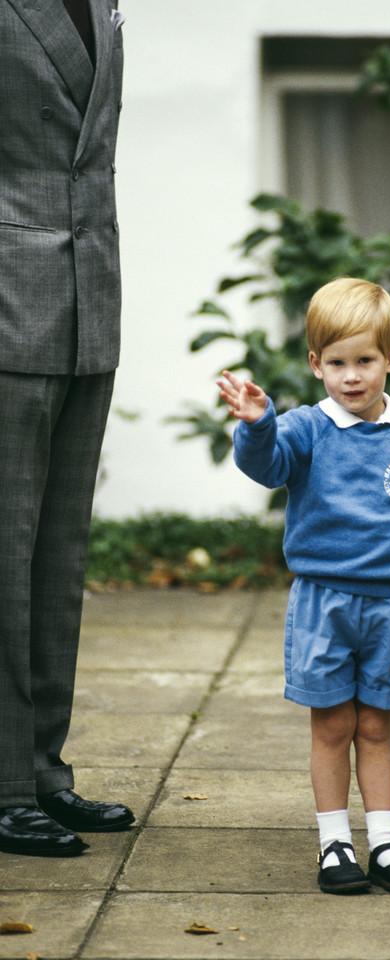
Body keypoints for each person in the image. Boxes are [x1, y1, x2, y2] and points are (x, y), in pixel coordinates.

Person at [218, 277, 390, 893]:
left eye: (365, 361)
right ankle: (334, 846)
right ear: (316, 366)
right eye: (337, 363)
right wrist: (258, 424)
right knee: (332, 726)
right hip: (322, 604)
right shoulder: (307, 429)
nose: (352, 376)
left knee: (376, 728)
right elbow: (267, 466)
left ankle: (386, 847)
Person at [0, 0, 134, 857]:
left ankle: (44, 770)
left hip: (88, 295)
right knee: (3, 560)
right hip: (10, 294)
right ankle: (6, 785)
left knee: (58, 555)